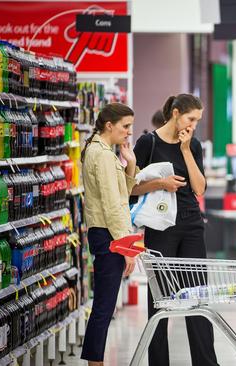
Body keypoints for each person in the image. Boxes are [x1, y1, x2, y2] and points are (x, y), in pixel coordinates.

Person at [131, 94, 218, 366]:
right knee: (160, 301)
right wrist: (160, 183)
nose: (194, 124)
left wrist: (186, 150)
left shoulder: (194, 145)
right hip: (161, 227)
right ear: (176, 113)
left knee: (197, 298)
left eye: (197, 121)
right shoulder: (149, 142)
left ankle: (206, 362)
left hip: (192, 224)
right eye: (191, 118)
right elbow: (130, 187)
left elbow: (200, 188)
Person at [80, 103, 138, 366]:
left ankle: (95, 361)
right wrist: (127, 248)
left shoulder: (103, 151)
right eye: (125, 126)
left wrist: (130, 165)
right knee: (104, 305)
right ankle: (95, 363)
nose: (128, 132)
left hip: (106, 233)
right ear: (109, 125)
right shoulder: (101, 154)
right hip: (109, 236)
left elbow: (121, 194)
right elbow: (113, 205)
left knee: (105, 303)